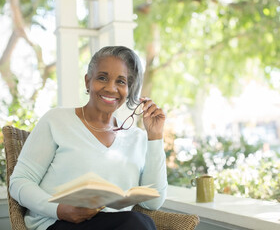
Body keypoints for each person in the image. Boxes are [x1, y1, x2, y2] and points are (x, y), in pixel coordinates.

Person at [9, 46, 168, 230]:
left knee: (140, 223)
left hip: (111, 225)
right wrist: (60, 210)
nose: (111, 88)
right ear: (87, 81)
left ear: (128, 89)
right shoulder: (56, 120)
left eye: (121, 81)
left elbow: (152, 202)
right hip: (56, 223)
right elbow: (20, 181)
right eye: (102, 78)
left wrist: (155, 136)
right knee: (138, 224)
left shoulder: (137, 138)